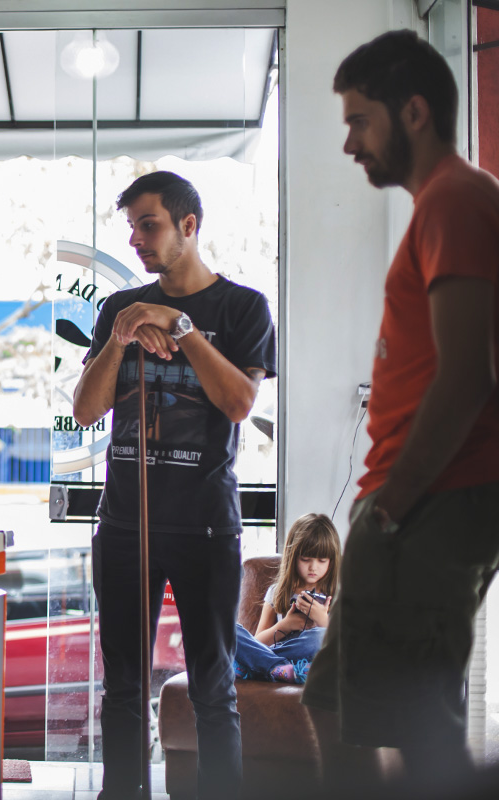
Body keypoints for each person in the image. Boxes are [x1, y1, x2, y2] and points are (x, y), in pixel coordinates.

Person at [301, 30, 499, 792]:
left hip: (428, 503)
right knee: (334, 702)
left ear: (412, 111)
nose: (349, 142)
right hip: (415, 502)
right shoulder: (443, 206)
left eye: (358, 120)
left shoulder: (455, 199)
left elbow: (467, 376)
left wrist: (394, 506)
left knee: (422, 725)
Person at [73, 171, 276, 800]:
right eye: (131, 226)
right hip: (126, 523)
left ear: (189, 225)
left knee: (215, 686)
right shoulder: (121, 308)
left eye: (149, 224)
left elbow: (240, 402)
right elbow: (85, 410)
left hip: (206, 524)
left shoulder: (243, 308)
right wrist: (125, 332)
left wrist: (181, 329)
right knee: (124, 687)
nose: (136, 238)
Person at [233, 513, 340, 684]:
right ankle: (277, 668)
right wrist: (286, 624)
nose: (313, 567)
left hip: (307, 657)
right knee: (229, 630)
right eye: (306, 559)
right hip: (281, 657)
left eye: (322, 560)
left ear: (332, 561)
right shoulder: (277, 592)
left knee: (320, 636)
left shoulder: (338, 595)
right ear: (293, 556)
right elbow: (257, 642)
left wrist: (323, 620)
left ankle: (258, 667)